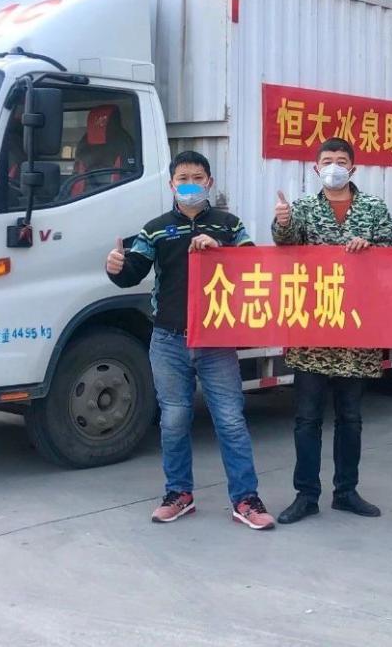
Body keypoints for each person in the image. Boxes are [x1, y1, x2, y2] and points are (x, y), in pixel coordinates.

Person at [105, 151, 274, 531]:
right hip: (168, 340)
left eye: (198, 177)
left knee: (230, 421)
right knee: (174, 420)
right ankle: (178, 494)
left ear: (209, 182)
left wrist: (220, 250)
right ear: (171, 184)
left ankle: (245, 499)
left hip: (216, 340)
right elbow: (132, 272)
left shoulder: (229, 225)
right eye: (183, 178)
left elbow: (255, 266)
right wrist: (115, 267)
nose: (191, 184)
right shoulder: (155, 229)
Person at [271, 137, 392, 525]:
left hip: (356, 329)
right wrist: (283, 222)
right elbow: (285, 245)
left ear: (353, 168)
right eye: (327, 161)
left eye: (341, 161)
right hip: (312, 327)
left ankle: (346, 492)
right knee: (307, 418)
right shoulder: (302, 208)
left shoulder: (373, 207)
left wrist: (369, 246)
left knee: (351, 417)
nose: (334, 167)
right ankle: (306, 495)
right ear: (316, 168)